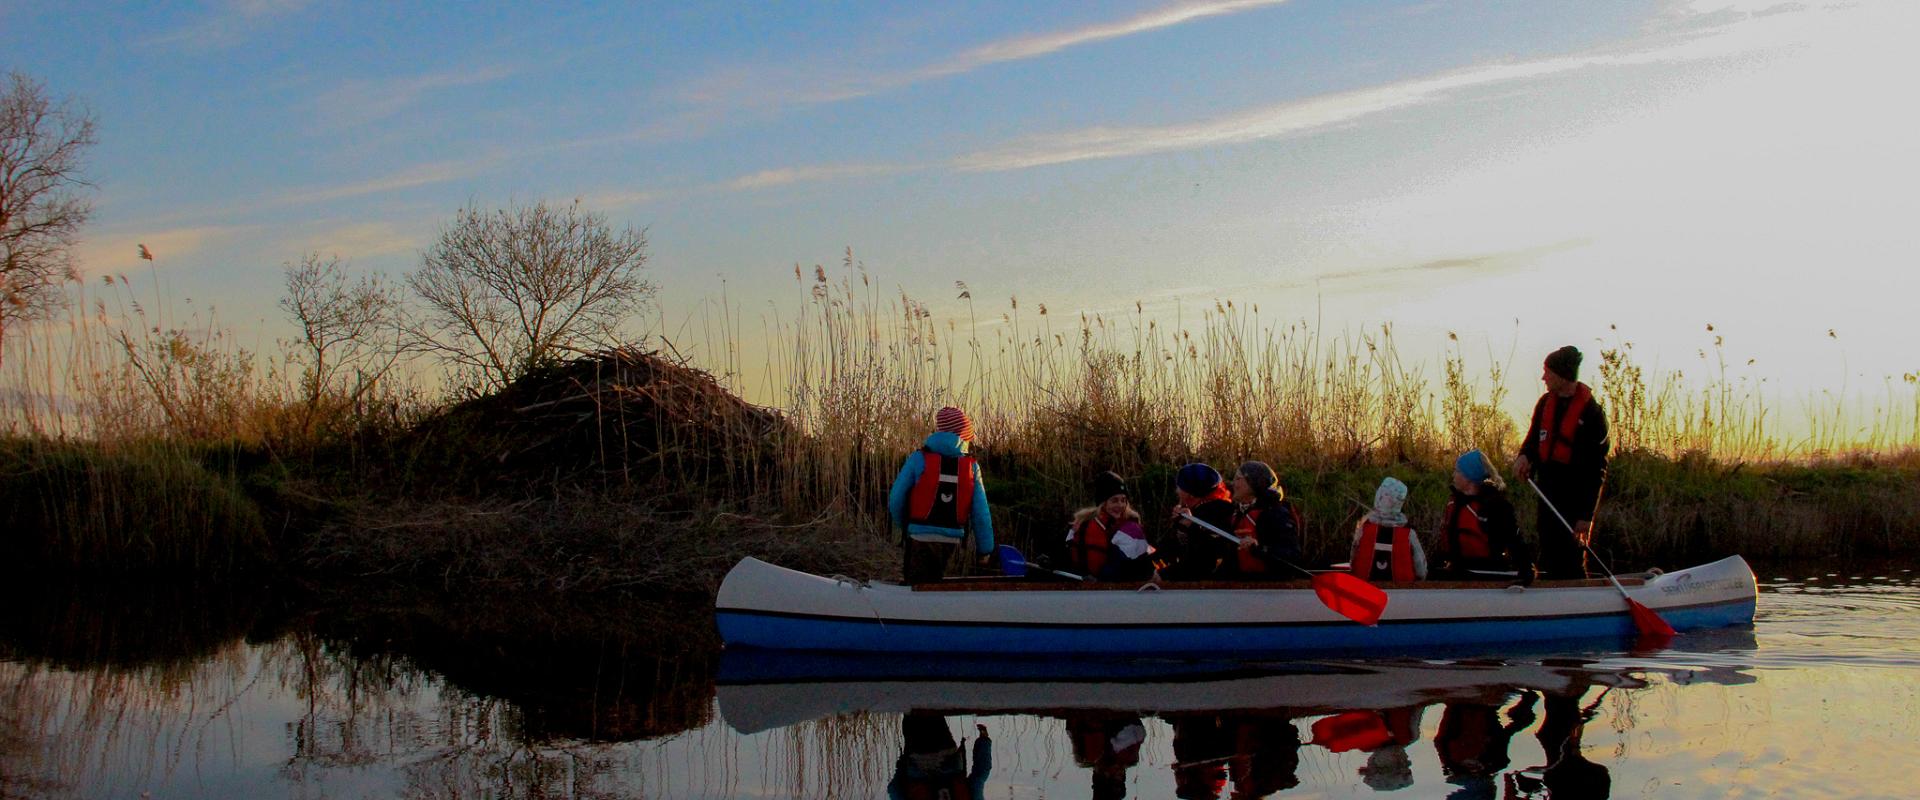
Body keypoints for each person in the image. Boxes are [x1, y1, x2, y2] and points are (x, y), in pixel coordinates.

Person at [1512, 345, 1610, 580]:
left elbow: (1597, 469)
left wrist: (1586, 515)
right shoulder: (1545, 403)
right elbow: (1532, 442)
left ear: (1562, 375)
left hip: (1575, 500)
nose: (1544, 377)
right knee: (1548, 550)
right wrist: (1524, 457)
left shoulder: (1593, 414)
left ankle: (1577, 596)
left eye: (1548, 373)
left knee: (1572, 556)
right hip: (1547, 492)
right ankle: (1549, 594)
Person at [889, 406, 995, 584]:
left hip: (919, 536)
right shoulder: (972, 467)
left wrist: (905, 526)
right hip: (952, 541)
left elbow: (896, 499)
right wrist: (985, 549)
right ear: (964, 436)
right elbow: (981, 514)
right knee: (941, 588)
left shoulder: (918, 459)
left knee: (916, 587)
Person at [1432, 450, 1534, 586]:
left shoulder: (1494, 506)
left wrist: (1525, 568)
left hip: (1486, 572)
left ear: (1469, 477)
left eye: (1457, 471)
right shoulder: (1456, 503)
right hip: (1459, 570)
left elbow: (1514, 539)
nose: (1453, 475)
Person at [1434, 692, 1538, 800]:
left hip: (1472, 709)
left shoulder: (1493, 760)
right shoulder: (1495, 760)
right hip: (1477, 710)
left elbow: (1507, 732)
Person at [1060, 471, 1153, 582]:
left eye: (1123, 500)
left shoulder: (1130, 529)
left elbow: (1143, 565)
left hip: (1118, 587)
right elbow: (1067, 552)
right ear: (1103, 503)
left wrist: (1101, 579)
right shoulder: (1083, 524)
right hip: (1084, 582)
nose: (1120, 505)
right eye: (1114, 500)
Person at [1218, 461, 1303, 580]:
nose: (1233, 483)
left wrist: (1259, 548)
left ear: (1253, 483)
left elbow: (1292, 555)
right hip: (1240, 585)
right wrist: (1191, 526)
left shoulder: (1276, 514)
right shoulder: (1236, 513)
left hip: (1269, 588)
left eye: (1238, 479)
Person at [1159, 463, 1238, 581]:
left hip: (1207, 590)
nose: (1177, 491)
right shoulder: (1198, 512)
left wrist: (1163, 575)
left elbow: (1201, 561)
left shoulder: (1210, 514)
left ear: (1190, 493)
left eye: (1180, 487)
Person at [888, 712, 992, 800]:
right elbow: (894, 789)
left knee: (932, 712)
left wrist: (984, 740)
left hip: (948, 758)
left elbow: (980, 775)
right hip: (918, 762)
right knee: (912, 711)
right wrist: (903, 765)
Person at [1350, 477, 1427, 582]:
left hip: (1366, 589)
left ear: (1378, 497)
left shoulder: (1363, 529)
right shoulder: (1409, 534)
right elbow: (1421, 571)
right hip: (1404, 593)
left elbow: (1353, 562)